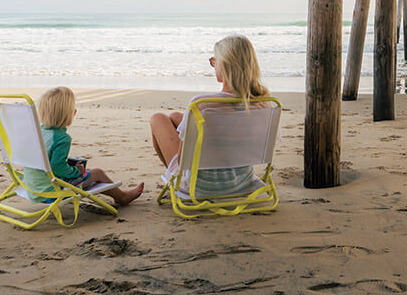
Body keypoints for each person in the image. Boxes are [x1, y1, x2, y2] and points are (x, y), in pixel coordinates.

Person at [150, 34, 274, 196]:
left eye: (214, 61)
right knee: (175, 116)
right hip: (241, 181)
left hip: (201, 186)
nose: (213, 66)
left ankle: (173, 179)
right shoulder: (264, 103)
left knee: (158, 118)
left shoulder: (202, 104)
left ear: (225, 65)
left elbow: (182, 161)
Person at [23, 86, 143, 206]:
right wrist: (76, 171)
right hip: (51, 192)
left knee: (86, 174)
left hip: (33, 188)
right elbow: (57, 167)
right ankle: (122, 197)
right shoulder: (61, 138)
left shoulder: (38, 132)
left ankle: (118, 195)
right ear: (72, 113)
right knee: (97, 173)